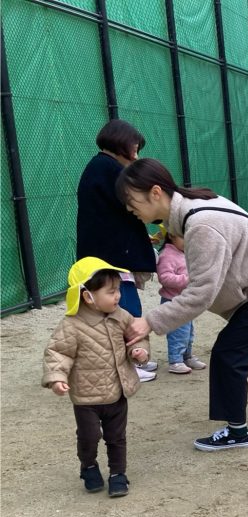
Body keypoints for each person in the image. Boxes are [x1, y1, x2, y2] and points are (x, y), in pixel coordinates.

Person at [117, 158, 248, 451]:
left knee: (227, 355)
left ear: (155, 192)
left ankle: (238, 432)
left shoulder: (200, 225)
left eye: (132, 201)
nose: (130, 209)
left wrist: (150, 322)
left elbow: (200, 293)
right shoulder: (191, 207)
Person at [42, 258, 151, 497]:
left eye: (118, 289)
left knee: (117, 437)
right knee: (89, 437)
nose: (118, 296)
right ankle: (89, 466)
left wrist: (139, 350)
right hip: (86, 397)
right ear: (88, 296)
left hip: (117, 392)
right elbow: (58, 352)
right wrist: (57, 377)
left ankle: (118, 474)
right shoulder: (71, 325)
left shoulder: (121, 316)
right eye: (111, 291)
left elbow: (137, 336)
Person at [76, 119, 157, 381]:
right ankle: (127, 364)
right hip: (112, 256)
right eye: (135, 148)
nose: (136, 154)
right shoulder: (109, 169)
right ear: (122, 143)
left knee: (120, 306)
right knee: (124, 309)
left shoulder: (100, 166)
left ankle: (132, 359)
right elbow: (134, 202)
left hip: (108, 253)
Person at [155, 228, 207, 375]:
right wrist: (187, 279)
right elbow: (164, 277)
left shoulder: (184, 252)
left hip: (185, 300)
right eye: (184, 237)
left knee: (188, 332)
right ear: (171, 235)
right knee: (177, 332)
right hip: (173, 302)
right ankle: (175, 360)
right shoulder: (167, 254)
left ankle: (187, 356)